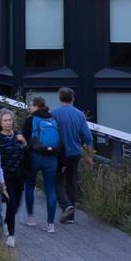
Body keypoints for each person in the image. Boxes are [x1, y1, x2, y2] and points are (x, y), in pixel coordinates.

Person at [53, 87, 95, 224]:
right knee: (71, 181)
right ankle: (70, 217)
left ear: (60, 99)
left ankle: (66, 206)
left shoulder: (54, 114)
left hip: (60, 154)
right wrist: (89, 157)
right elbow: (88, 138)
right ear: (73, 99)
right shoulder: (80, 115)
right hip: (75, 153)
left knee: (56, 181)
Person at [22, 96, 60, 234]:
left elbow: (24, 139)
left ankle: (31, 218)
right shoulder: (52, 119)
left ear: (37, 106)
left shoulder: (30, 120)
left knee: (30, 186)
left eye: (31, 105)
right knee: (50, 189)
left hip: (35, 157)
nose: (29, 108)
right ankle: (50, 224)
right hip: (51, 158)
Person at [0, 109, 28, 247]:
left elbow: (28, 154)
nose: (8, 123)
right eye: (5, 120)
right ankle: (11, 235)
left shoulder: (18, 136)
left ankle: (6, 221)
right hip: (5, 178)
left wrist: (24, 143)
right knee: (11, 204)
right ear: (0, 123)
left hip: (19, 177)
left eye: (10, 120)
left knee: (16, 206)